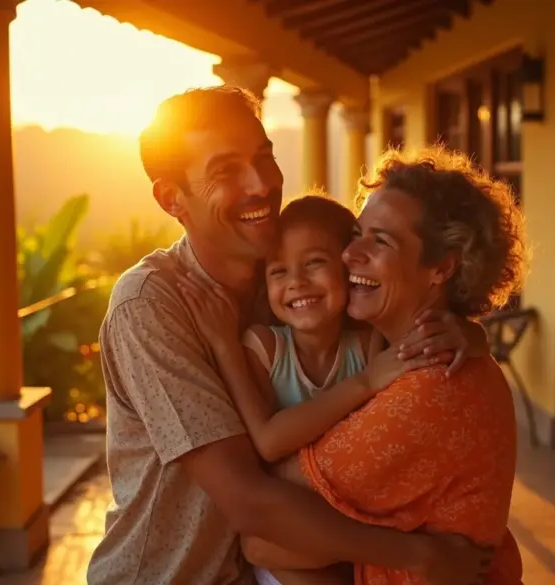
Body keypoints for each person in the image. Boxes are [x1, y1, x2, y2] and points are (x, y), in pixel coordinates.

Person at [88, 87, 491, 585]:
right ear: (173, 198)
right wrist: (421, 556)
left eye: (264, 158)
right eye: (225, 172)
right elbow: (247, 501)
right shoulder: (153, 305)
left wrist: (462, 332)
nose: (260, 184)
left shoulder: (286, 278)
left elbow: (393, 304)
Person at [236, 146, 529, 584]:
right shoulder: (428, 355)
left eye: (381, 241)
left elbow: (263, 534)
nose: (350, 255)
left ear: (441, 268)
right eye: (357, 233)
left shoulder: (428, 386)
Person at [177, 195, 476, 585]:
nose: (296, 283)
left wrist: (470, 333)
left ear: (347, 267)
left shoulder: (367, 345)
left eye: (314, 263)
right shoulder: (263, 349)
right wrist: (223, 346)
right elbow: (269, 441)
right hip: (287, 543)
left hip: (353, 529)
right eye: (278, 271)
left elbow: (434, 338)